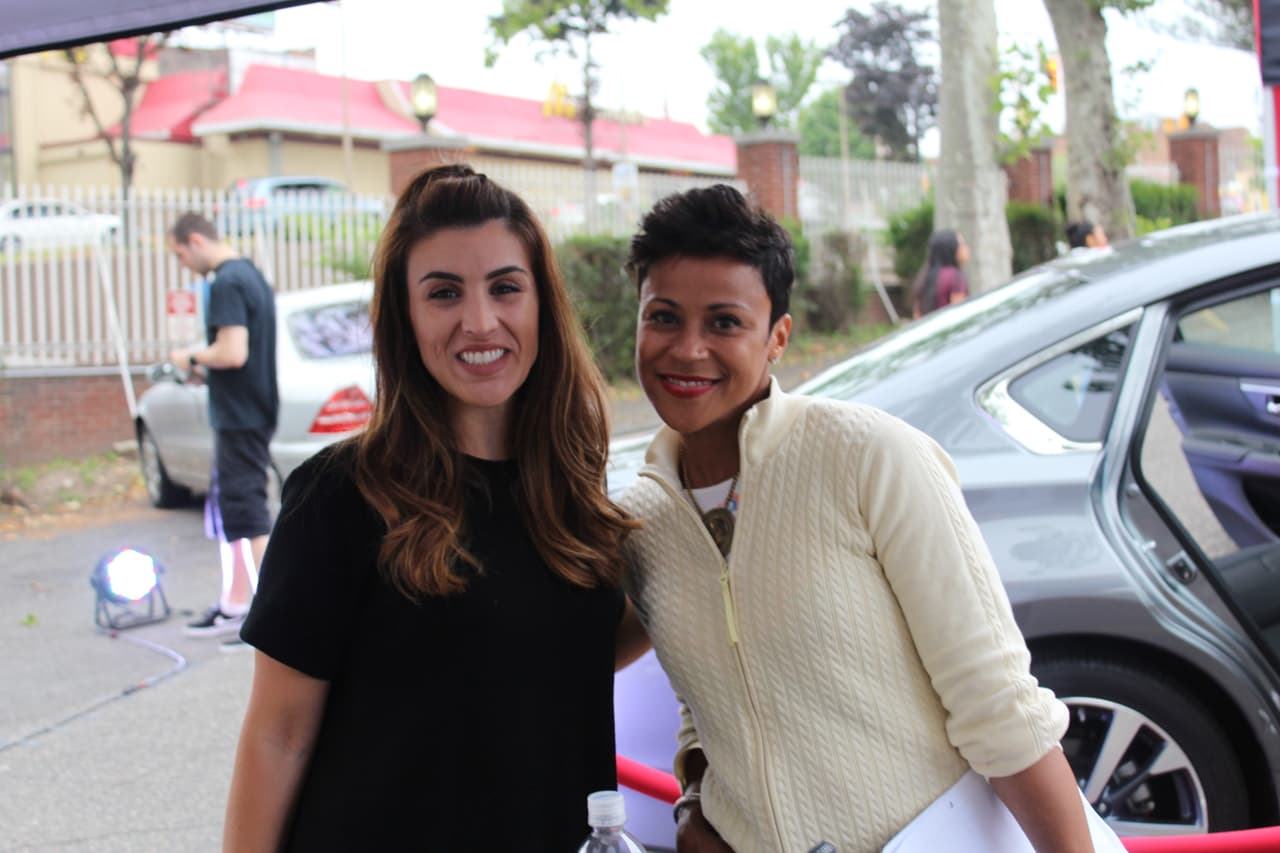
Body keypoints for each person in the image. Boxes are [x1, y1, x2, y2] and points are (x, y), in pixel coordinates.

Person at [620, 185, 1093, 852]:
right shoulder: (641, 522)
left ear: (777, 336)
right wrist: (695, 799)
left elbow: (1000, 705)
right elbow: (719, 688)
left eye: (724, 322)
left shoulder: (870, 457)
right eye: (664, 317)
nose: (688, 348)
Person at [224, 164, 643, 851]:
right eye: (443, 292)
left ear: (542, 303)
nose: (480, 321)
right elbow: (278, 733)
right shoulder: (339, 496)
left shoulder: (570, 483)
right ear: (406, 315)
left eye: (506, 287)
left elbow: (562, 648)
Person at [168, 213, 278, 641]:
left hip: (240, 416)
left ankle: (270, 615)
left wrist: (190, 358)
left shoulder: (227, 282)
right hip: (249, 411)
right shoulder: (249, 274)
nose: (182, 263)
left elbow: (232, 352)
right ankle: (236, 604)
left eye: (180, 253)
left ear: (196, 240)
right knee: (235, 514)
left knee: (248, 515)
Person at [911, 228, 970, 318]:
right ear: (951, 248)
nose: (966, 248)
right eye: (962, 244)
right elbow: (959, 316)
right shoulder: (955, 277)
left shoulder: (925, 276)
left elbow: (917, 316)